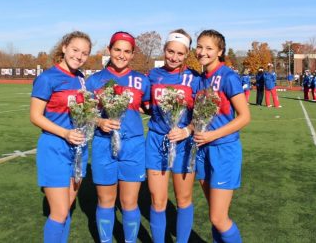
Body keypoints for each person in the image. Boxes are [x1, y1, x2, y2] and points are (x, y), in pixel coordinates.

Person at [85, 31, 150, 243]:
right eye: (117, 50)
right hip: (104, 144)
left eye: (127, 51)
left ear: (132, 55)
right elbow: (86, 112)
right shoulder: (95, 81)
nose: (121, 55)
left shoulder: (142, 80)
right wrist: (100, 121)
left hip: (133, 145)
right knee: (106, 200)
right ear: (109, 50)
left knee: (129, 202)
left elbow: (150, 107)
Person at [30, 31, 92, 243]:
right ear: (64, 47)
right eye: (75, 50)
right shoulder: (47, 78)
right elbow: (35, 116)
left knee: (66, 211)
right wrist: (65, 133)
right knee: (59, 213)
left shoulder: (82, 78)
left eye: (84, 53)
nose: (79, 56)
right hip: (55, 147)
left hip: (78, 150)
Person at [194, 29, 251, 243]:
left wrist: (213, 135)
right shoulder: (200, 79)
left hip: (224, 150)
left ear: (219, 51)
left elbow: (245, 117)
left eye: (209, 48)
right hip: (202, 150)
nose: (203, 52)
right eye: (199, 46)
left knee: (218, 218)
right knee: (214, 215)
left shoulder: (227, 76)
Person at [146, 29, 200, 243]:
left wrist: (186, 130)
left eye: (180, 53)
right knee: (157, 201)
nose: (174, 57)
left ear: (187, 54)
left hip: (184, 143)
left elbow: (204, 114)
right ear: (164, 50)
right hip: (156, 141)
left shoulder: (194, 78)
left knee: (183, 199)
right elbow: (144, 104)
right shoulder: (153, 75)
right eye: (170, 51)